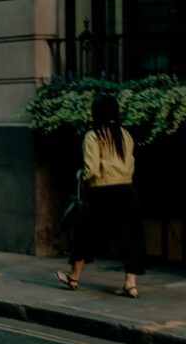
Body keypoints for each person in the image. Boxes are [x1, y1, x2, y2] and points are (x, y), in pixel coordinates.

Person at [55, 93, 145, 298]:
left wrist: (83, 176)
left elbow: (92, 169)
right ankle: (131, 285)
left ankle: (74, 277)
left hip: (102, 191)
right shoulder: (125, 134)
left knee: (85, 234)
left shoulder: (93, 136)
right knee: (129, 237)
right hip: (127, 189)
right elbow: (131, 163)